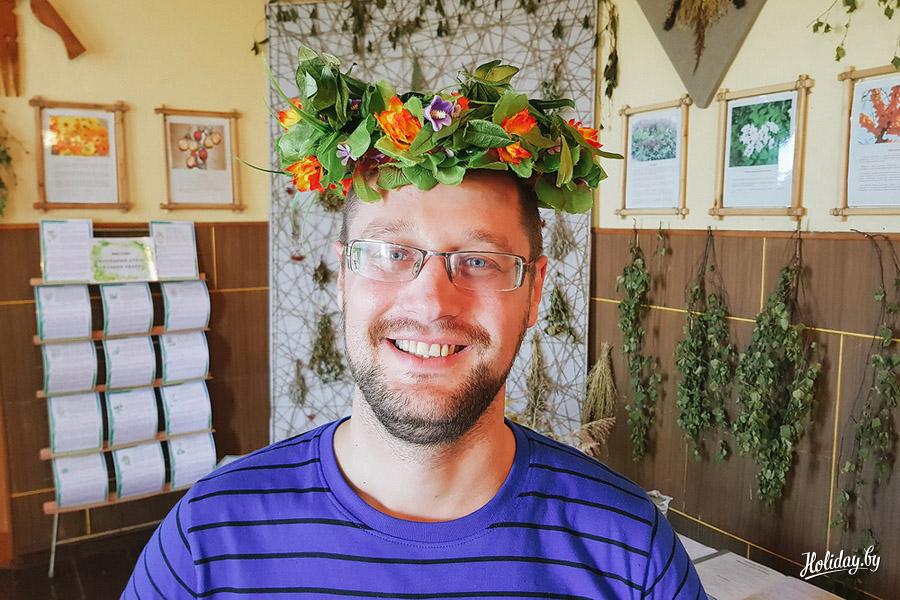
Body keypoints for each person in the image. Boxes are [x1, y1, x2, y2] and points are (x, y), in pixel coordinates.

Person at [123, 51, 708, 599]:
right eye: (391, 253)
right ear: (342, 278)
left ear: (534, 292)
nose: (431, 303)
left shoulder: (631, 550)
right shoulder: (207, 538)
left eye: (479, 261)